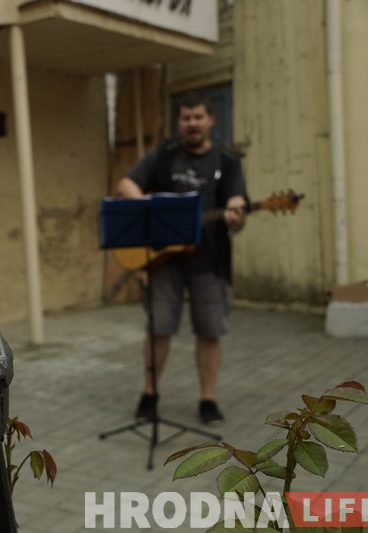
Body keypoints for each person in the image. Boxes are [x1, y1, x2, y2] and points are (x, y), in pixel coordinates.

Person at [116, 92, 248, 425]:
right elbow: (126, 183)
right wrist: (151, 211)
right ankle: (150, 393)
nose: (192, 124)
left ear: (210, 120)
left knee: (209, 331)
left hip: (210, 260)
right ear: (179, 122)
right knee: (158, 328)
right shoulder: (165, 153)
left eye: (198, 117)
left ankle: (208, 399)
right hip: (164, 260)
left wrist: (236, 214)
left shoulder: (227, 158)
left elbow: (236, 198)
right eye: (186, 118)